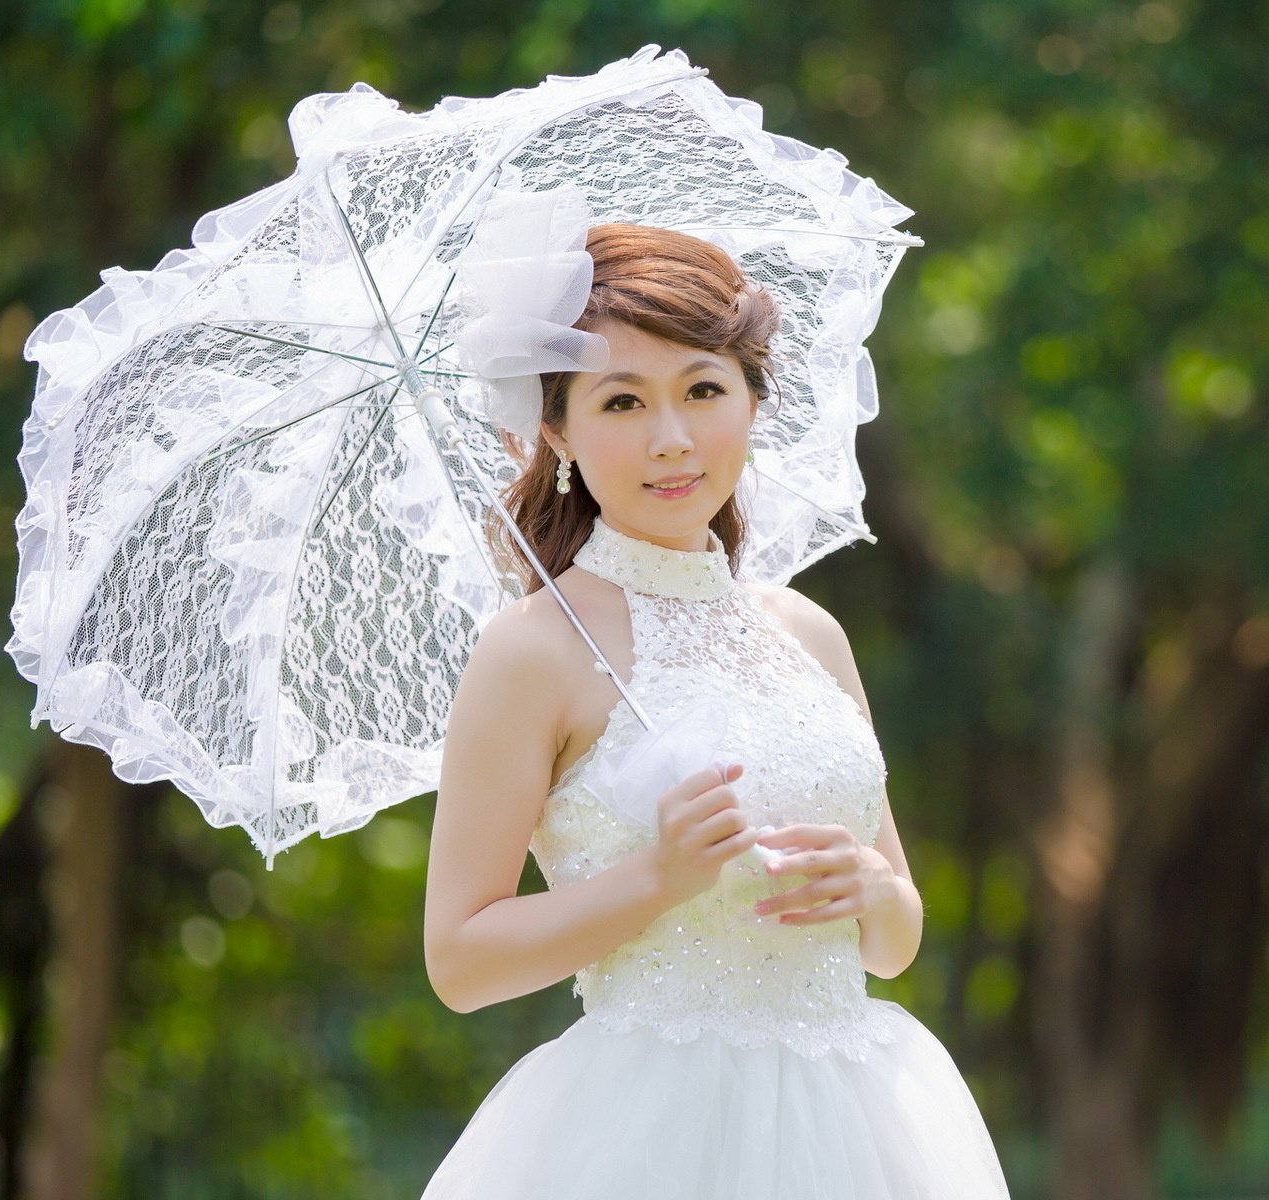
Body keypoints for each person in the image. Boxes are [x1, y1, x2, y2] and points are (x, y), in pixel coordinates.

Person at [419, 221, 1012, 1197]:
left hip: (861, 1126)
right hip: (645, 1136)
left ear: (750, 399)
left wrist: (867, 886)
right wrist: (657, 878)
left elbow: (897, 941)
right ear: (556, 430)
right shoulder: (532, 649)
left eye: (703, 389)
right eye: (622, 401)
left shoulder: (809, 632)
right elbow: (460, 961)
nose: (672, 438)